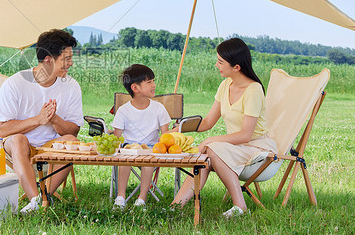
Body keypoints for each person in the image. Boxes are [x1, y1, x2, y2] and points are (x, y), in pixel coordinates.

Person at [171, 38, 277, 218]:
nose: (216, 65)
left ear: (237, 67)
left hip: (257, 148)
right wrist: (181, 128)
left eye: (220, 62)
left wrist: (212, 140)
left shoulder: (253, 90)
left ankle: (240, 205)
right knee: (204, 157)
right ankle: (176, 207)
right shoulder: (225, 85)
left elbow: (245, 135)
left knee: (211, 149)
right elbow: (207, 122)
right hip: (235, 148)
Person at [0, 29, 83, 214]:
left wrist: (54, 119)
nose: (71, 63)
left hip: (50, 146)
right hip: (16, 146)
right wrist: (38, 120)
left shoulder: (71, 86)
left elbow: (73, 130)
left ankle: (44, 197)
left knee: (72, 142)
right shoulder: (15, 84)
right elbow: (1, 130)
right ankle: (35, 199)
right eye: (66, 59)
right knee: (18, 139)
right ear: (48, 59)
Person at [112, 64, 171, 209]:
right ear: (135, 88)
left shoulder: (159, 108)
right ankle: (120, 197)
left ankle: (142, 199)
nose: (154, 85)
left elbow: (165, 135)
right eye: (149, 82)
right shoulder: (123, 110)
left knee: (148, 160)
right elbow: (116, 138)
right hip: (129, 147)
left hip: (150, 149)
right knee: (125, 157)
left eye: (153, 81)